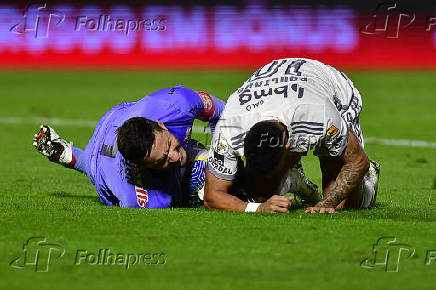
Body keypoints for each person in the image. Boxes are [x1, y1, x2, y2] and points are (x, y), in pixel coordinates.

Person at [205, 58, 380, 214]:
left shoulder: (320, 115)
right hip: (274, 86)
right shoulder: (230, 125)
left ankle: (369, 182)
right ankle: (292, 180)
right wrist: (258, 208)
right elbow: (212, 196)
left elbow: (357, 161)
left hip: (331, 87)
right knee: (259, 196)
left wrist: (327, 203)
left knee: (342, 203)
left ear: (289, 146)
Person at [33, 85, 225, 208]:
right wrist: (199, 197)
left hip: (118, 115)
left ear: (161, 125)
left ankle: (68, 155)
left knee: (210, 161)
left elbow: (223, 112)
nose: (175, 157)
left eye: (170, 146)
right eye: (162, 160)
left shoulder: (178, 103)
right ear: (142, 166)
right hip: (100, 164)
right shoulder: (138, 196)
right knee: (198, 174)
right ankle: (69, 156)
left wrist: (223, 155)